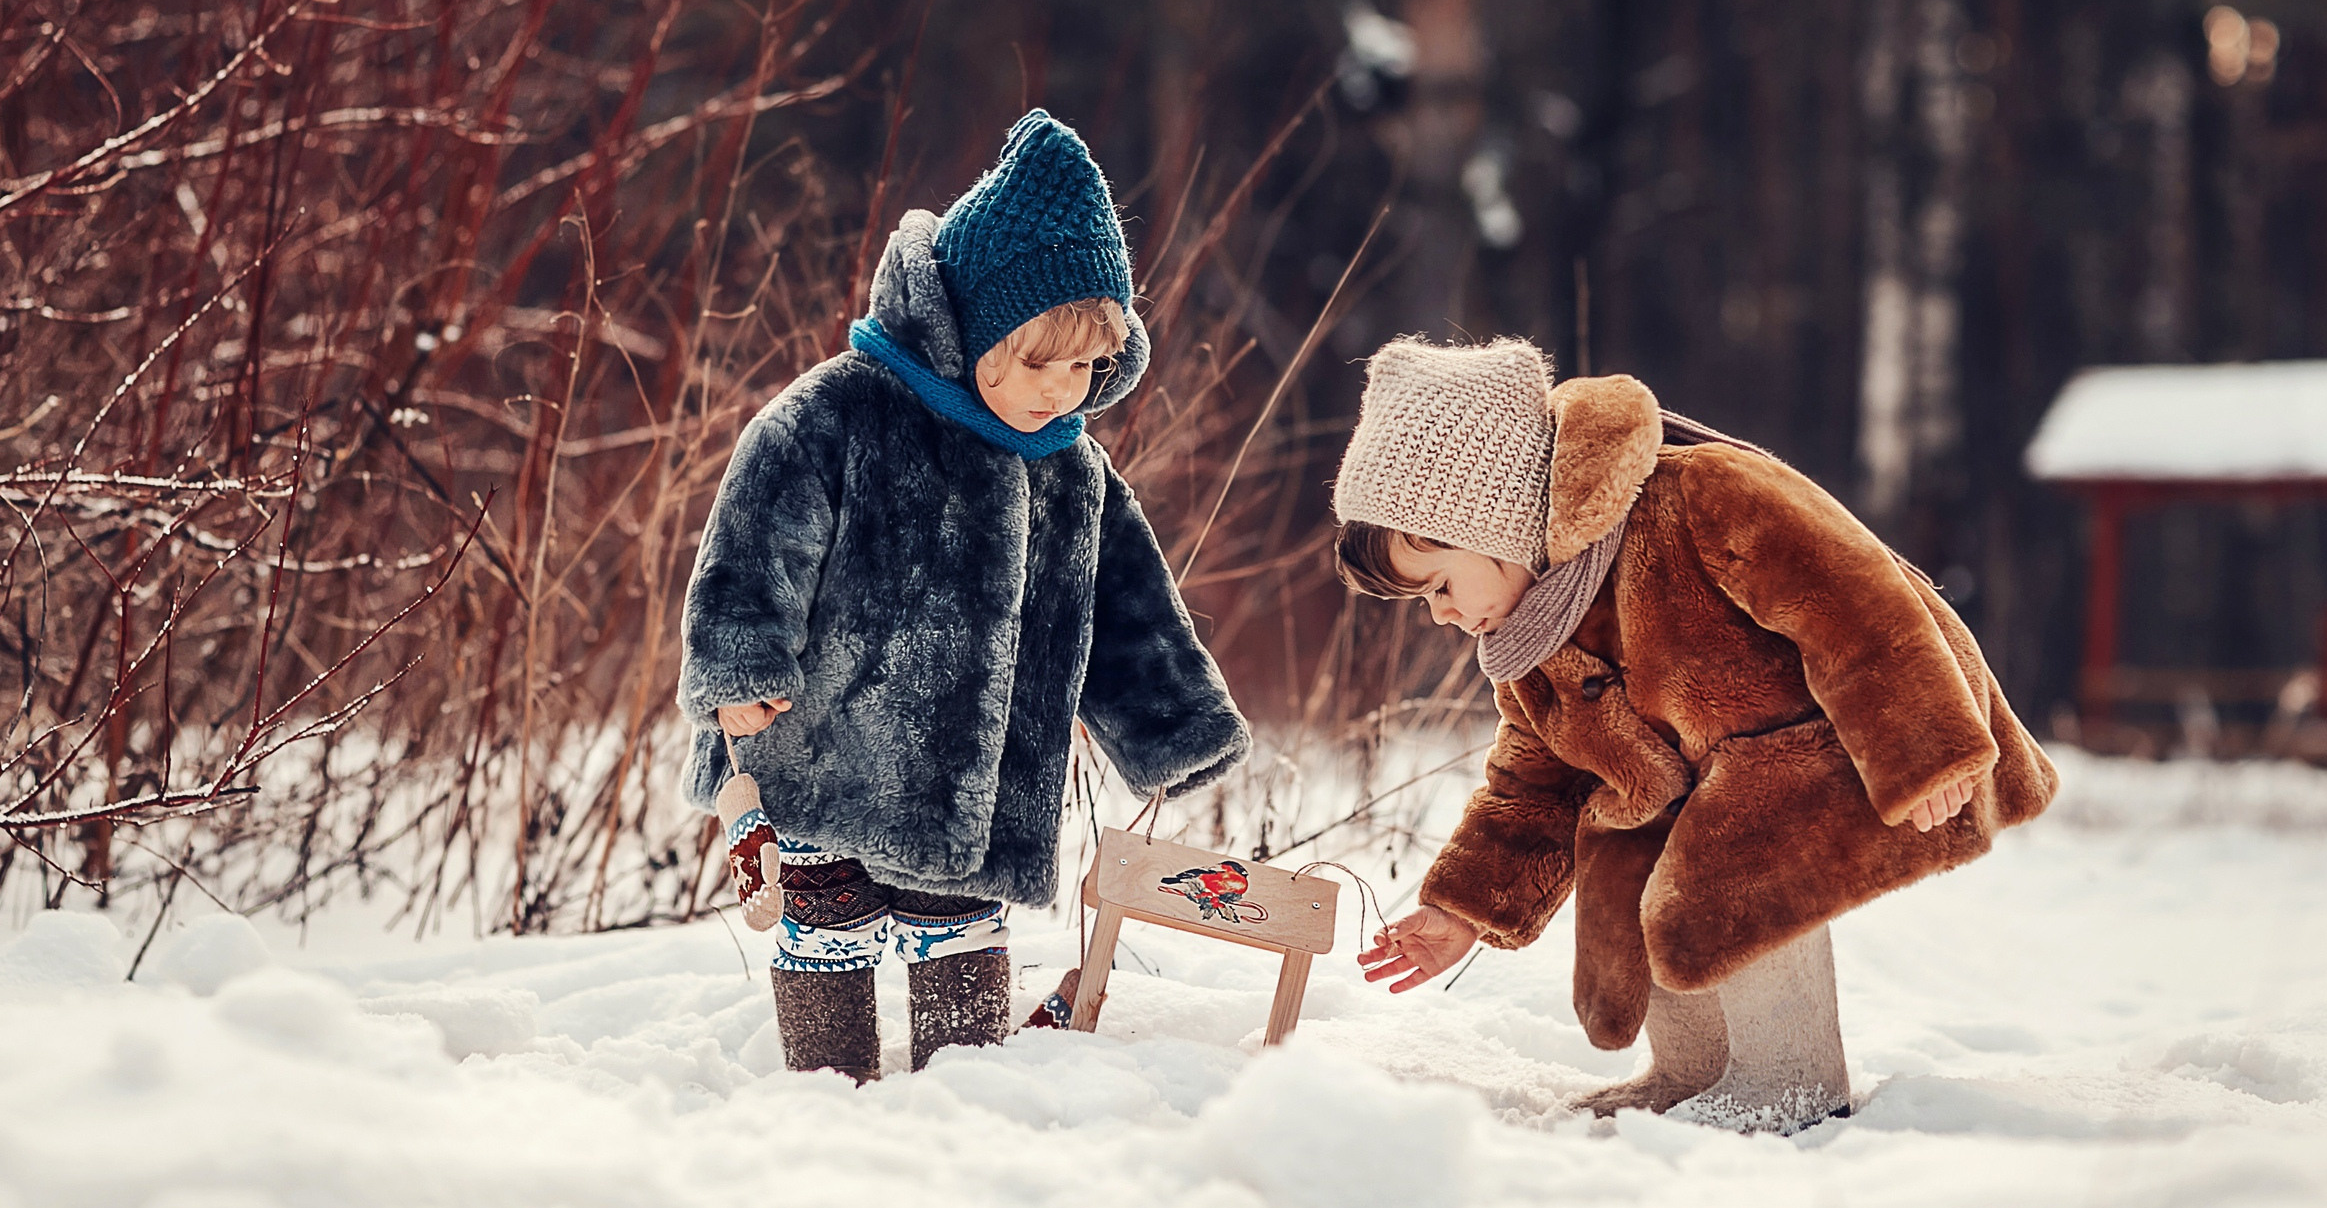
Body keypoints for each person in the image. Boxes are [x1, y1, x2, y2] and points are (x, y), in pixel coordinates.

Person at [1335, 337, 2057, 1132]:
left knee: (1731, 855)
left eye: (1438, 583)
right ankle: (1693, 1069)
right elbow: (1532, 785)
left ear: (1493, 518)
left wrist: (1927, 750)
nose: (1440, 613)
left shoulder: (1695, 499)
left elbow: (1857, 601)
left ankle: (1792, 1077)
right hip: (1732, 768)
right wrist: (1463, 909)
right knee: (1632, 840)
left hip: (1871, 723)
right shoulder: (1531, 646)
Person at [676, 110, 1250, 1081]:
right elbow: (753, 539)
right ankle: (829, 1092)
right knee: (825, 919)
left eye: (1087, 367)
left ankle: (971, 1102)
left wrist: (1172, 732)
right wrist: (740, 668)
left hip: (978, 790)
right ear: (970, 326)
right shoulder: (842, 414)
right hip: (822, 749)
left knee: (959, 935)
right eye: (1038, 362)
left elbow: (1130, 615)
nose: (1063, 391)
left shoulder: (1073, 472)